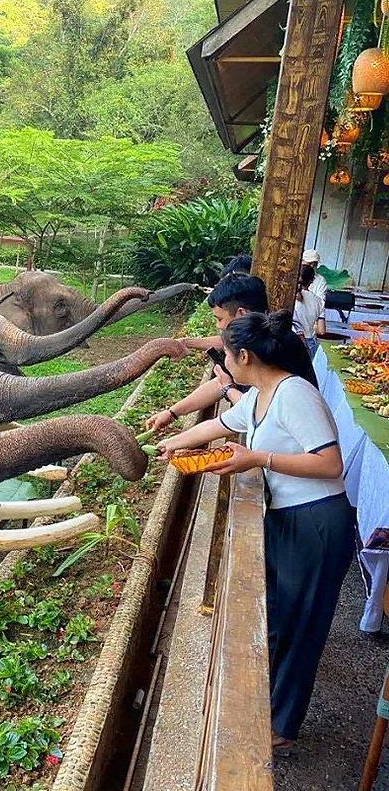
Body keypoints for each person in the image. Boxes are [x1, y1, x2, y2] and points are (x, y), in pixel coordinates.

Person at [156, 310, 354, 752]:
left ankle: (281, 729)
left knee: (302, 626)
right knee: (281, 619)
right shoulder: (261, 395)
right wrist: (170, 440)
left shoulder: (294, 393)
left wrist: (258, 460)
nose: (223, 363)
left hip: (317, 521)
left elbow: (329, 463)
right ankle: (269, 709)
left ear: (243, 356)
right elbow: (220, 424)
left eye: (225, 355)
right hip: (288, 516)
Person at [145, 273, 317, 432]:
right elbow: (221, 383)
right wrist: (172, 413)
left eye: (219, 319)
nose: (218, 327)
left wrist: (228, 389)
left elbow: (256, 411)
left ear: (241, 313)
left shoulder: (272, 346)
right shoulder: (259, 337)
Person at [293, 263, 325, 357]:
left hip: (292, 340)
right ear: (312, 281)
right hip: (309, 343)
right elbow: (321, 330)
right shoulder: (319, 302)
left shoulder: (291, 297)